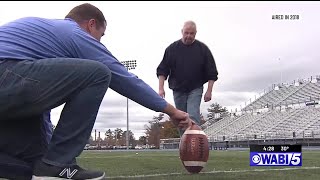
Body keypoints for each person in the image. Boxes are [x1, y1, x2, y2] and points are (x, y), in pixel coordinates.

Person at [0, 3, 192, 180]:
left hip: (11, 87)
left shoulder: (43, 37)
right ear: (91, 24)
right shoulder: (73, 32)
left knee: (35, 166)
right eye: (101, 35)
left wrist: (48, 158)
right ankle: (57, 163)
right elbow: (122, 77)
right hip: (6, 74)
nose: (99, 42)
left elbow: (36, 95)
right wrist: (171, 111)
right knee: (98, 72)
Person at [157, 20, 218, 134]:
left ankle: (194, 147)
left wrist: (209, 91)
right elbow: (162, 70)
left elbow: (212, 72)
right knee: (181, 118)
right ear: (182, 32)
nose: (189, 36)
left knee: (192, 116)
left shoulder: (203, 49)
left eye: (192, 33)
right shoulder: (172, 49)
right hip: (178, 89)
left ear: (195, 33)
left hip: (195, 88)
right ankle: (184, 146)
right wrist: (161, 88)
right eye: (186, 33)